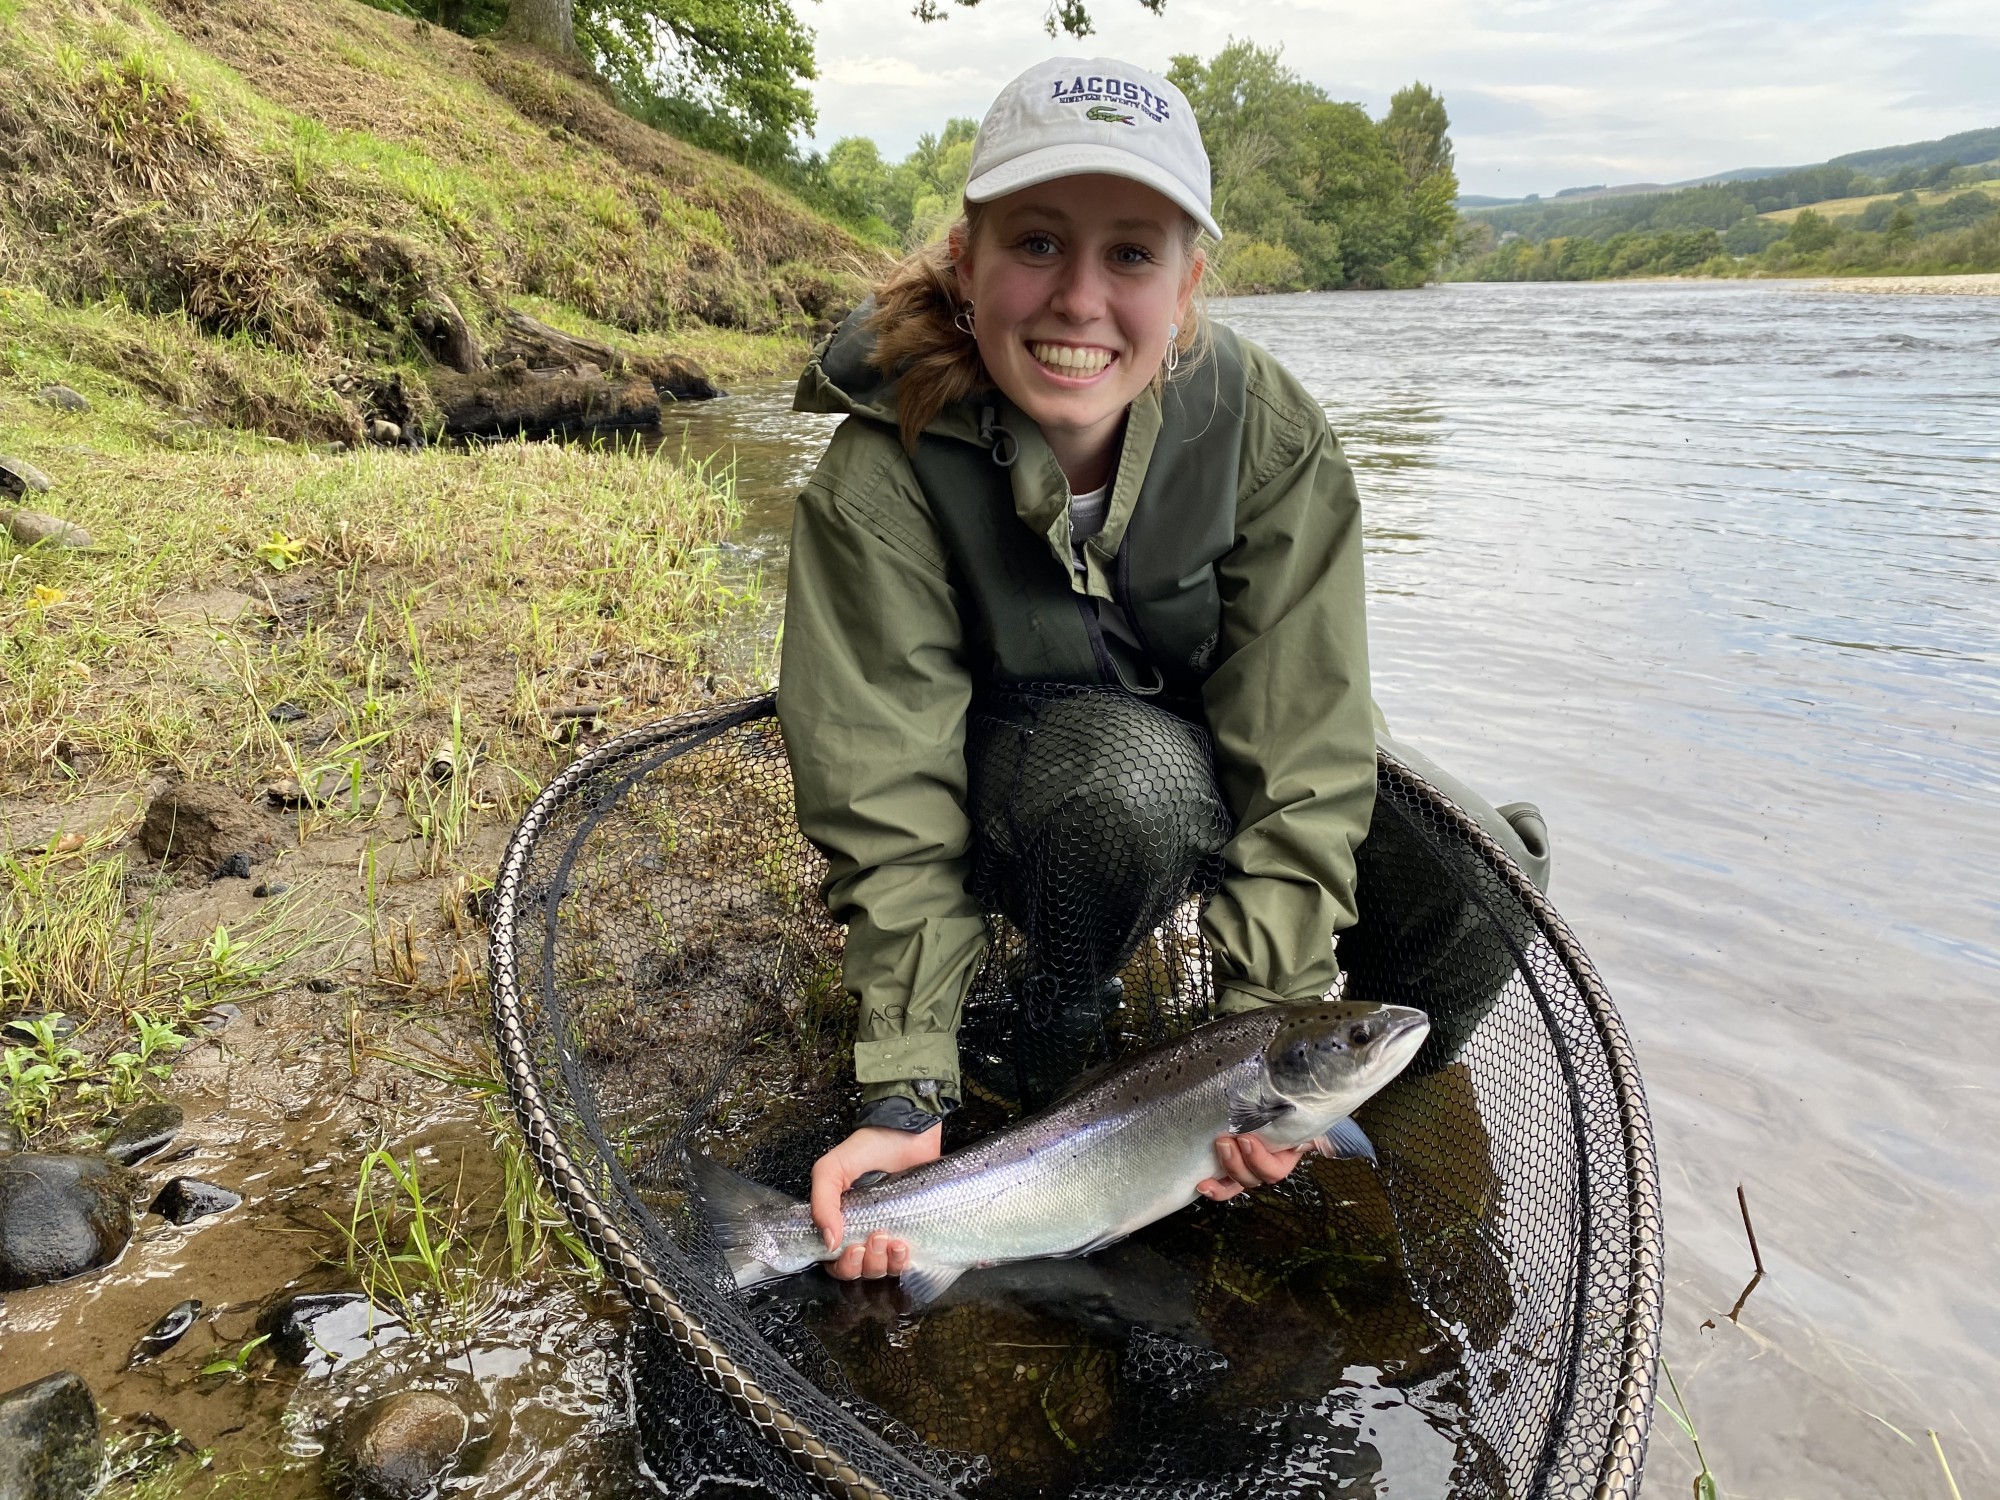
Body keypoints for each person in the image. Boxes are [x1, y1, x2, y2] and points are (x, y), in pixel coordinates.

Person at [775, 57, 1541, 1286]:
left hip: (1211, 769)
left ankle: (1332, 1156)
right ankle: (1038, 1076)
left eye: (1131, 255)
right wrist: (905, 1085)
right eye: (1035, 242)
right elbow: (885, 797)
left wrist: (1270, 1034)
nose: (1079, 298)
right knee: (1127, 785)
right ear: (965, 265)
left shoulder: (1267, 433)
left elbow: (1306, 745)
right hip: (1027, 803)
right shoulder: (882, 475)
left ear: (1186, 289)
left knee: (1491, 877)